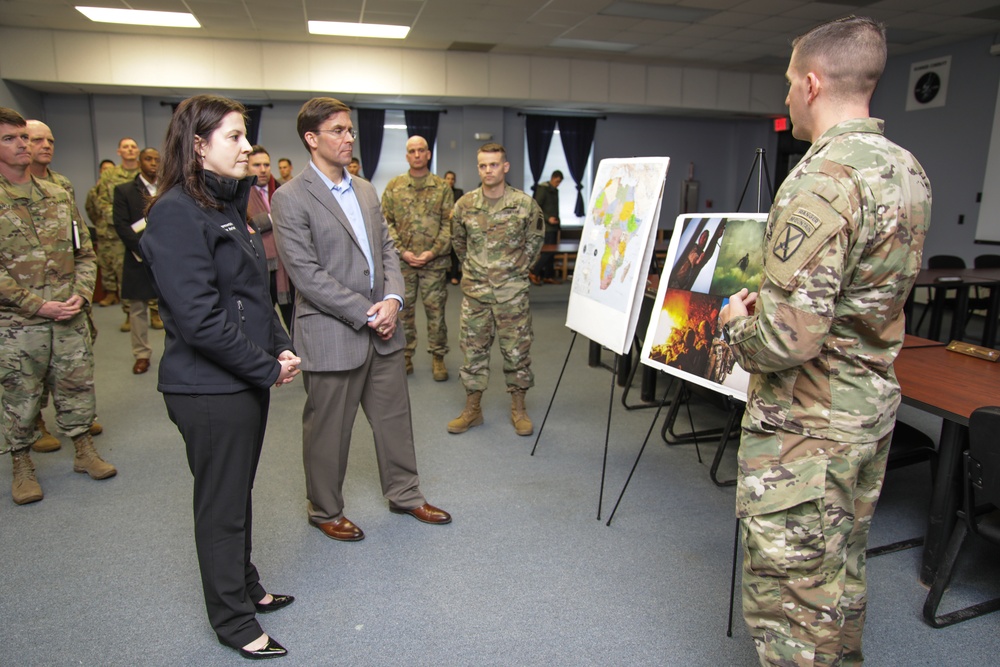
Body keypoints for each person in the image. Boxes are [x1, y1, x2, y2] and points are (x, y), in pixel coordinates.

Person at [717, 16, 932, 666]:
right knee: (837, 578)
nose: (785, 97)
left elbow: (787, 338)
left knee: (791, 610)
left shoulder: (821, 180)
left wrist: (734, 322)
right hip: (867, 416)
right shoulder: (906, 170)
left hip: (807, 433)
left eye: (788, 83)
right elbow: (858, 298)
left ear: (812, 83)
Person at [140, 95, 300, 660]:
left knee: (236, 496)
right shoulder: (176, 211)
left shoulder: (229, 204)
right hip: (208, 390)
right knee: (221, 505)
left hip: (241, 380)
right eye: (233, 137)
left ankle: (246, 587)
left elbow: (254, 292)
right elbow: (200, 319)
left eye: (246, 135)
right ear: (199, 145)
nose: (248, 147)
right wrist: (265, 367)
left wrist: (279, 347)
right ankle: (233, 621)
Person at [271, 96, 451, 543]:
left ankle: (405, 493)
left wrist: (392, 299)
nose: (349, 137)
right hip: (333, 331)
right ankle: (325, 509)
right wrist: (365, 313)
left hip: (384, 328)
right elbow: (305, 273)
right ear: (312, 139)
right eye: (338, 130)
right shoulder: (290, 197)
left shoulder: (366, 188)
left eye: (351, 130)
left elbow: (387, 249)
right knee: (328, 430)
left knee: (395, 420)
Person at [0, 107, 116, 506]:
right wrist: (38, 305)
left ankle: (83, 451)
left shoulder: (56, 194)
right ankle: (22, 464)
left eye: (23, 137)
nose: (23, 145)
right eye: (10, 138)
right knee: (20, 394)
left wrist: (82, 294)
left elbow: (85, 251)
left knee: (76, 385)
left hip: (67, 313)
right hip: (17, 322)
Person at [448, 143, 544, 437]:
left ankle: (519, 408)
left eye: (493, 164)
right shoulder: (464, 204)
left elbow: (535, 242)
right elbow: (458, 243)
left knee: (517, 353)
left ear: (505, 167)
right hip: (476, 295)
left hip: (511, 295)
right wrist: (476, 272)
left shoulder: (524, 204)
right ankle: (473, 410)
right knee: (472, 353)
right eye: (482, 165)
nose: (488, 170)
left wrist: (513, 271)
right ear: (478, 168)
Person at [25, 119, 105, 451]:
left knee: (73, 367)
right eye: (37, 140)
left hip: (68, 294)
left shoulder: (61, 185)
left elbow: (81, 245)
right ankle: (37, 423)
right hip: (25, 305)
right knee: (29, 375)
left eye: (51, 140)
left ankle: (77, 428)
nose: (46, 145)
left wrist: (82, 292)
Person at [381, 135, 454, 380]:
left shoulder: (442, 187)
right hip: (403, 263)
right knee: (403, 313)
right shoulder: (394, 186)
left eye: (421, 150)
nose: (417, 155)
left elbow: (449, 224)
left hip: (435, 263)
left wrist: (433, 251)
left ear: (428, 154)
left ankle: (438, 357)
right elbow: (385, 223)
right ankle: (405, 356)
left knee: (436, 313)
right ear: (407, 156)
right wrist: (403, 251)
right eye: (412, 151)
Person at [112, 147, 159, 375]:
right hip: (137, 255)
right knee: (138, 309)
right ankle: (141, 354)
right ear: (140, 162)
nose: (153, 163)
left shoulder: (169, 188)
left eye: (157, 160)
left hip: (168, 257)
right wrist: (141, 249)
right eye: (148, 159)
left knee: (175, 304)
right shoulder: (124, 191)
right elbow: (120, 224)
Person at [247, 145, 294, 329]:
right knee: (263, 322)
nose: (263, 169)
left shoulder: (282, 190)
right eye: (256, 165)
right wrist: (270, 218)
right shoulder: (240, 194)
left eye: (266, 164)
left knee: (292, 320)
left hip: (286, 267)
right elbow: (246, 224)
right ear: (247, 167)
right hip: (258, 267)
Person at [94, 137, 140, 309]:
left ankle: (155, 312)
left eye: (133, 146)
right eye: (125, 147)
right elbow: (101, 202)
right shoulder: (109, 175)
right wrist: (121, 219)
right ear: (118, 152)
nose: (129, 149)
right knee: (124, 274)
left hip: (144, 229)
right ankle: (128, 312)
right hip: (117, 233)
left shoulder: (146, 172)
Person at [529, 170, 562, 285]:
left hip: (554, 226)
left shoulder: (555, 191)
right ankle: (534, 272)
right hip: (545, 226)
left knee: (552, 252)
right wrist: (548, 218)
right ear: (553, 178)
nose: (558, 184)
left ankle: (548, 276)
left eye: (560, 182)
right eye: (557, 181)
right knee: (547, 252)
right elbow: (537, 207)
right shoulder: (543, 189)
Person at [444, 170, 463, 285]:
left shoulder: (458, 192)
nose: (450, 181)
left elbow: (461, 208)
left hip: (455, 226)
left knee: (454, 253)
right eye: (448, 178)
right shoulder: (441, 192)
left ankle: (454, 276)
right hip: (442, 226)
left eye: (452, 179)